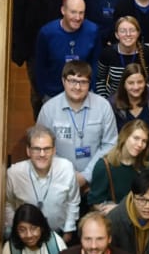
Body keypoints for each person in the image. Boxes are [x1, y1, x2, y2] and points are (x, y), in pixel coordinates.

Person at [36, 60, 119, 194]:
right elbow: (42, 148)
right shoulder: (48, 110)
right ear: (63, 81)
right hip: (58, 182)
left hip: (97, 182)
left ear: (89, 83)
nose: (77, 87)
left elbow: (110, 144)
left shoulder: (103, 106)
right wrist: (69, 174)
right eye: (72, 81)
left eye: (83, 82)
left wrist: (86, 176)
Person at [4, 125, 81, 239]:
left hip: (58, 235)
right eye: (36, 149)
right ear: (28, 151)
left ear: (54, 150)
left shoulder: (66, 168)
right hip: (26, 238)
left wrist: (68, 232)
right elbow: (7, 203)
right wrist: (16, 229)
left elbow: (73, 202)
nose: (42, 154)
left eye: (47, 149)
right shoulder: (14, 173)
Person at [33, 0, 101, 100]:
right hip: (53, 94)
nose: (77, 17)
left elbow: (95, 62)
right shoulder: (46, 33)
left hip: (83, 93)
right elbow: (40, 66)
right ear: (63, 11)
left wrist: (92, 88)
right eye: (73, 12)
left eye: (81, 13)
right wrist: (43, 94)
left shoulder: (93, 31)